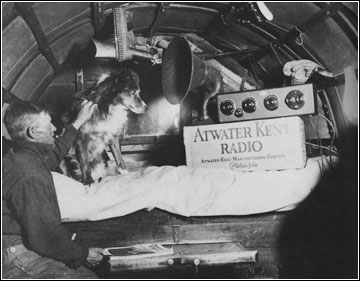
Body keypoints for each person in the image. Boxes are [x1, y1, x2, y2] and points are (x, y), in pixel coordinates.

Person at [2, 100, 104, 279]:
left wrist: (77, 123)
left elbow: (54, 154)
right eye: (48, 124)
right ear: (33, 132)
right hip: (14, 254)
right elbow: (44, 237)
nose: (54, 129)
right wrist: (83, 254)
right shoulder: (30, 175)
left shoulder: (21, 159)